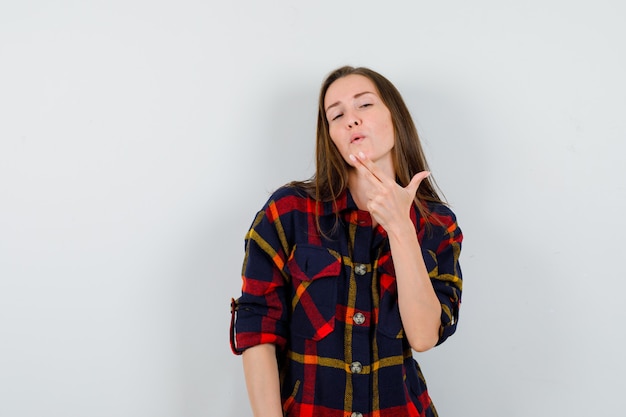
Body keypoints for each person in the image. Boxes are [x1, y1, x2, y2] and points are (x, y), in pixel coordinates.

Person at [230, 66, 463, 417]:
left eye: (364, 106)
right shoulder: (288, 211)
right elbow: (257, 327)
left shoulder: (437, 224)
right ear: (331, 136)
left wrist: (400, 228)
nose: (351, 120)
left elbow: (424, 336)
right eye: (337, 115)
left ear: (395, 117)